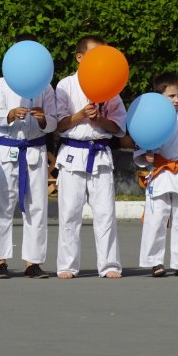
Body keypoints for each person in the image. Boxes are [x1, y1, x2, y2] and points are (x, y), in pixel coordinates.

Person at [54, 36, 127, 279]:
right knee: (69, 213)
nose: (100, 60)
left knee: (105, 213)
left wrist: (99, 119)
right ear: (80, 57)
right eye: (94, 55)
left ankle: (109, 265)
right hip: (73, 153)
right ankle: (67, 265)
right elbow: (59, 125)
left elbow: (118, 128)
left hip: (101, 154)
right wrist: (81, 115)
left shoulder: (111, 86)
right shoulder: (66, 85)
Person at [0, 41, 57, 280]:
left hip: (35, 151)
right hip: (7, 150)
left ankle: (33, 262)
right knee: (1, 205)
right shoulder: (2, 83)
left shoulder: (45, 86)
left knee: (37, 207)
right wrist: (9, 114)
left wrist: (43, 119)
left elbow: (54, 121)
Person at [135, 72, 178, 277]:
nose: (176, 100)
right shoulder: (150, 119)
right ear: (159, 97)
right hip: (161, 174)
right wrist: (147, 157)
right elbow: (142, 149)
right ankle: (155, 262)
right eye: (171, 96)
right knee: (156, 220)